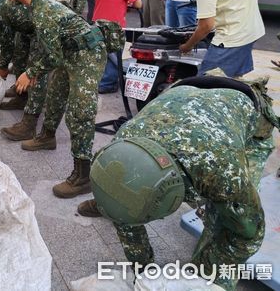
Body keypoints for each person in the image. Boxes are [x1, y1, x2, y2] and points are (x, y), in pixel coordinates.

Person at [79, 75, 279, 290]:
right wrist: (146, 276)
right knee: (124, 204)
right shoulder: (123, 145)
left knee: (223, 223)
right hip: (187, 89)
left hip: (249, 111)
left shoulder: (223, 172)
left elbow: (248, 236)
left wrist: (200, 278)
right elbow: (127, 220)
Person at [1, 0, 107, 199]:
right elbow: (54, 52)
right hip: (70, 51)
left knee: (79, 113)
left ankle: (82, 176)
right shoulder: (37, 6)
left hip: (87, 54)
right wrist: (34, 70)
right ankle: (47, 137)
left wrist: (30, 73)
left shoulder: (43, 11)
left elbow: (53, 55)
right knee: (55, 95)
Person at [93, 0, 142, 94]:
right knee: (114, 54)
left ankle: (103, 80)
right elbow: (138, 3)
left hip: (98, 23)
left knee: (103, 53)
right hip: (115, 25)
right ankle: (108, 83)